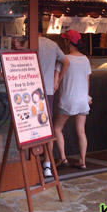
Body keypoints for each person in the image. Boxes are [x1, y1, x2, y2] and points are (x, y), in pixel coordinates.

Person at [54, 30, 91, 170]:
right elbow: (87, 81)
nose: (63, 42)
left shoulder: (64, 59)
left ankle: (63, 158)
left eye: (65, 39)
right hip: (82, 100)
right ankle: (82, 161)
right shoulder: (85, 59)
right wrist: (87, 97)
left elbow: (56, 80)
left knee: (57, 128)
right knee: (81, 131)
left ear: (68, 42)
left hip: (67, 99)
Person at [37, 20, 70, 177]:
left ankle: (32, 164)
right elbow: (66, 62)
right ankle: (47, 165)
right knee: (48, 129)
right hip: (48, 91)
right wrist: (57, 80)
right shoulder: (52, 44)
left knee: (32, 128)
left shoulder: (29, 43)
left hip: (31, 91)